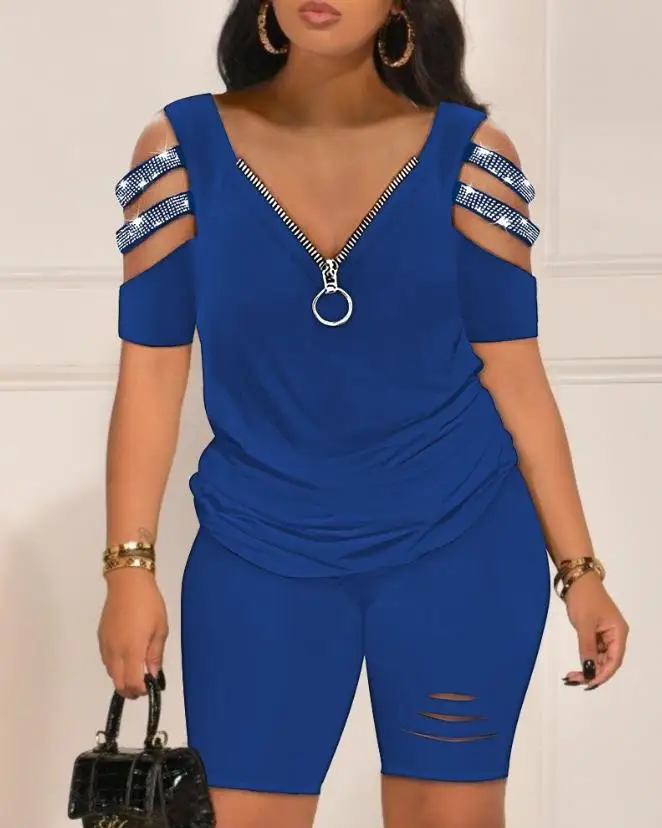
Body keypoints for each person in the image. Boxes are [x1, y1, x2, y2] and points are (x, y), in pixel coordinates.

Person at [97, 1, 629, 826]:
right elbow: (152, 373)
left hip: (461, 550)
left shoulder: (473, 158)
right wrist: (129, 567)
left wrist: (581, 575)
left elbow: (517, 380)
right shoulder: (179, 152)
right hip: (257, 553)